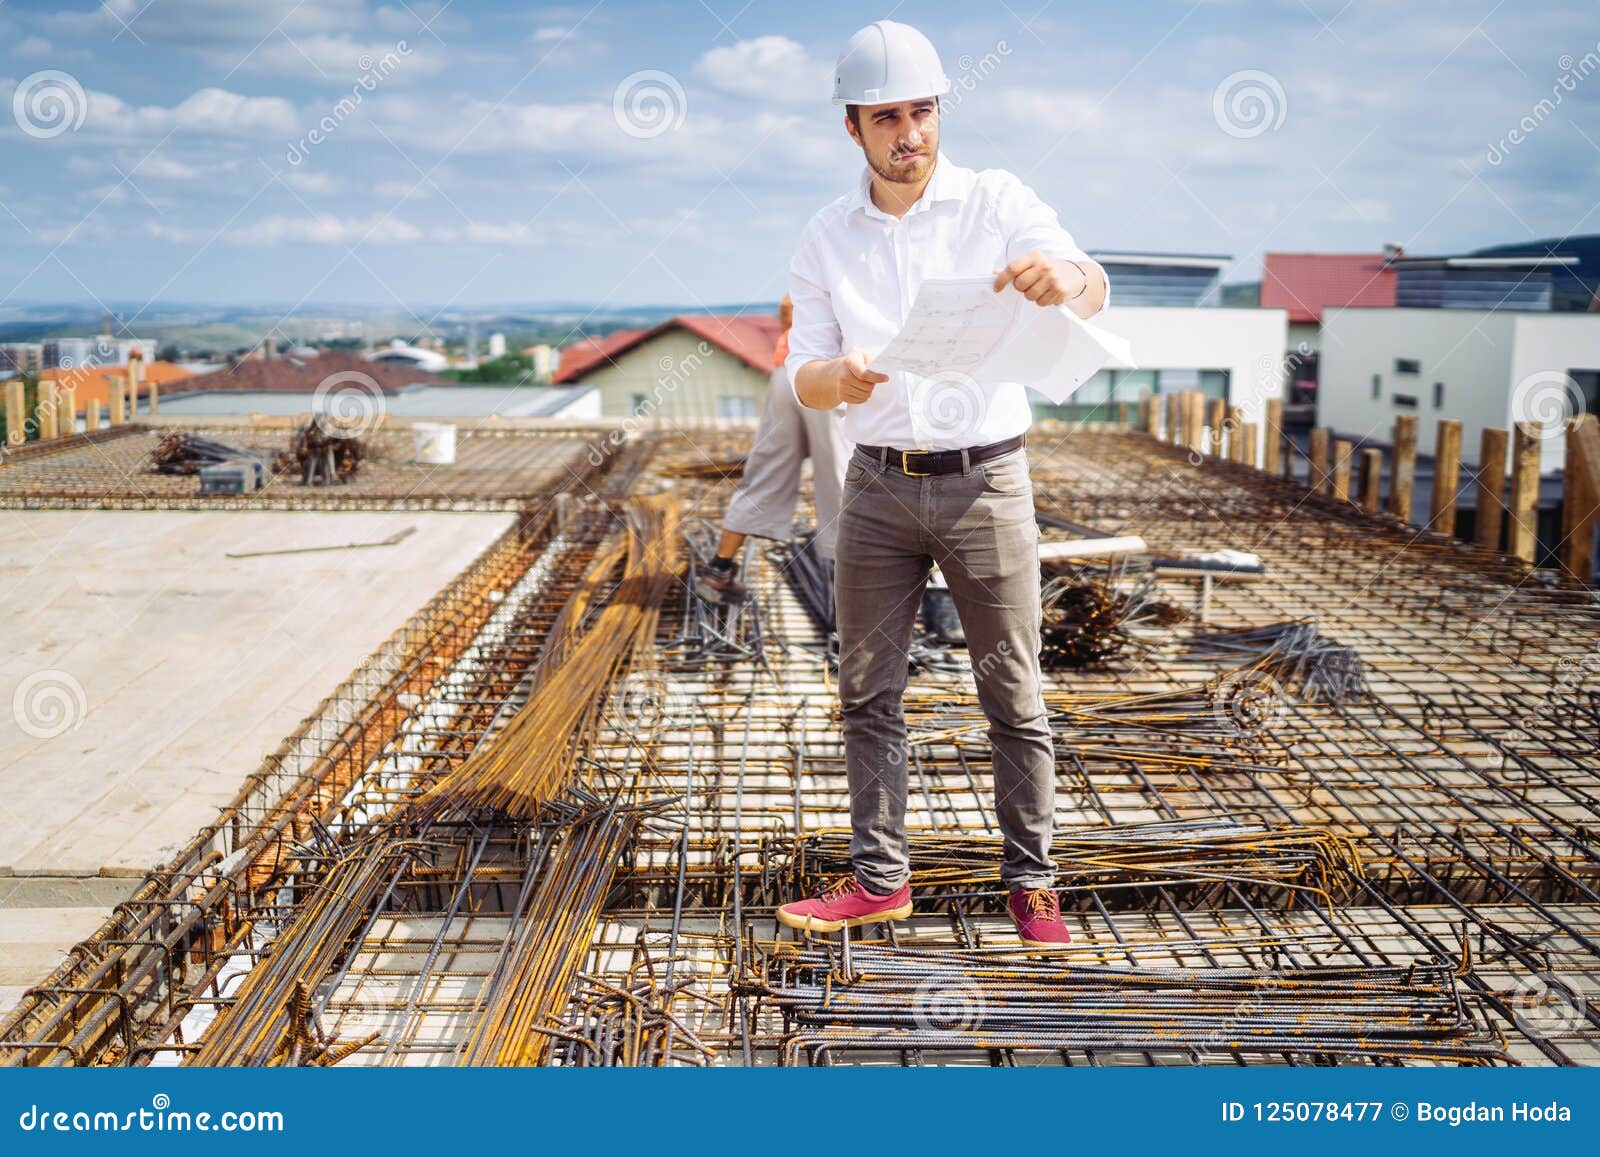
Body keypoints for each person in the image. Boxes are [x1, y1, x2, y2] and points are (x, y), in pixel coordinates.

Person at [774, 20, 1110, 947]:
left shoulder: (996, 200)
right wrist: (835, 382)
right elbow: (799, 371)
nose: (910, 132)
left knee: (1014, 688)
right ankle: (881, 880)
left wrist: (1063, 277)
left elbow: (1091, 283)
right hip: (878, 485)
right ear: (854, 128)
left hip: (986, 484)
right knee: (867, 691)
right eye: (888, 117)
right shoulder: (825, 236)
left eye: (923, 111)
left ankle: (1033, 884)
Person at [694, 295, 850, 605]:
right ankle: (845, 601)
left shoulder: (814, 268)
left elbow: (787, 306)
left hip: (788, 372)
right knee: (842, 483)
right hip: (828, 376)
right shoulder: (860, 266)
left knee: (766, 471)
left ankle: (719, 569)